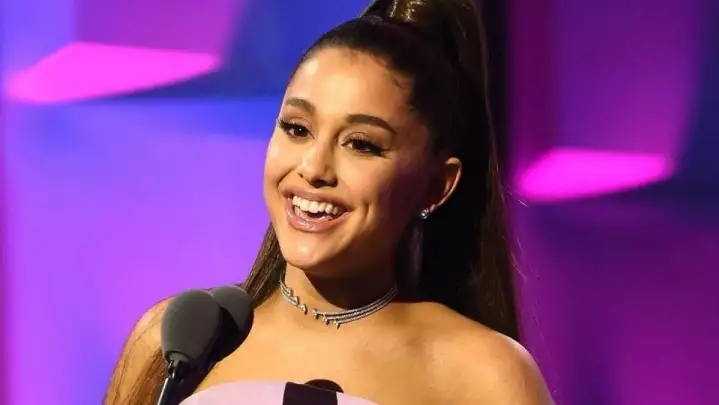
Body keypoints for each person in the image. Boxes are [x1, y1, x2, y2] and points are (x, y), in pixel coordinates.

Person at [105, 0, 553, 403]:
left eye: (361, 144)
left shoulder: (484, 375)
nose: (314, 168)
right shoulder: (178, 342)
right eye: (297, 129)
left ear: (436, 185)